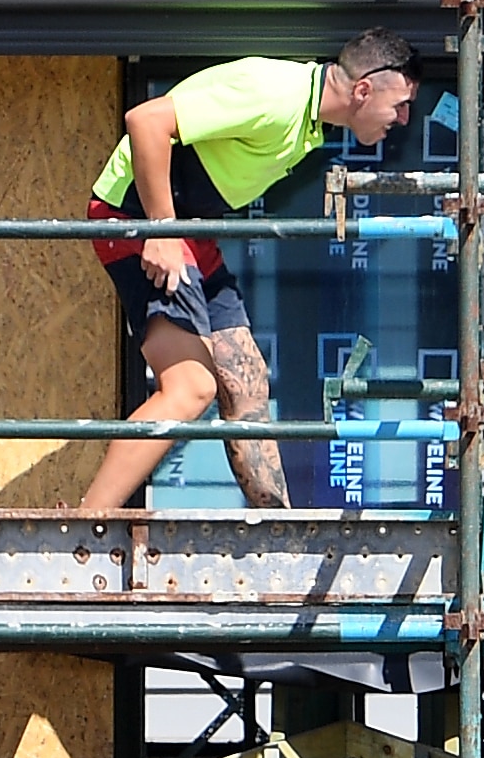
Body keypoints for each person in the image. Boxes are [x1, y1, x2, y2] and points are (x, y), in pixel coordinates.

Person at [74, 31, 420, 515]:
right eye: (400, 104)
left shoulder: (305, 120)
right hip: (134, 220)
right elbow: (146, 120)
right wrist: (162, 230)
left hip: (185, 231)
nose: (402, 120)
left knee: (247, 381)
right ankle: (85, 524)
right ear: (363, 90)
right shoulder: (274, 95)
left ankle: (279, 525)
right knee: (191, 387)